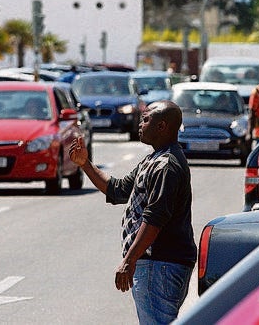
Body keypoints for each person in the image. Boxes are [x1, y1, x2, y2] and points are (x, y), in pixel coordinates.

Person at [68, 100, 196, 324]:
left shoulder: (166, 166)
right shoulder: (154, 160)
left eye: (146, 120)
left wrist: (129, 260)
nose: (140, 124)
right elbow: (117, 190)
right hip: (157, 265)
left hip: (160, 264)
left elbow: (154, 219)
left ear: (162, 126)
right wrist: (85, 164)